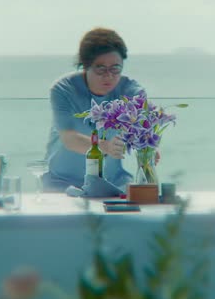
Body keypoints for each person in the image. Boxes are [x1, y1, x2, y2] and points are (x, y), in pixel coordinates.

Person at [42, 27, 151, 192]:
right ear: (85, 66)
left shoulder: (131, 91)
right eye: (100, 68)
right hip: (61, 182)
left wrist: (148, 149)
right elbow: (69, 139)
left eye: (115, 68)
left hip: (112, 182)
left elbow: (142, 133)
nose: (108, 76)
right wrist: (106, 147)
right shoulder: (63, 89)